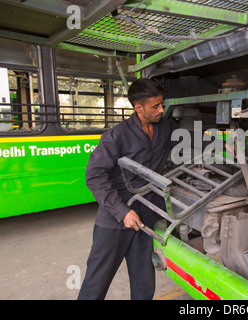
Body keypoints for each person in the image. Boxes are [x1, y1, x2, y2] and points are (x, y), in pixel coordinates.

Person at [78, 78, 174, 300]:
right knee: (96, 284)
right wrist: (122, 212)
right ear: (138, 108)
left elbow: (187, 141)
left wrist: (221, 144)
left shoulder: (165, 128)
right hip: (114, 221)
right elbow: (94, 175)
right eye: (155, 106)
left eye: (162, 104)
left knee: (144, 284)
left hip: (145, 219)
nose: (161, 110)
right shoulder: (116, 136)